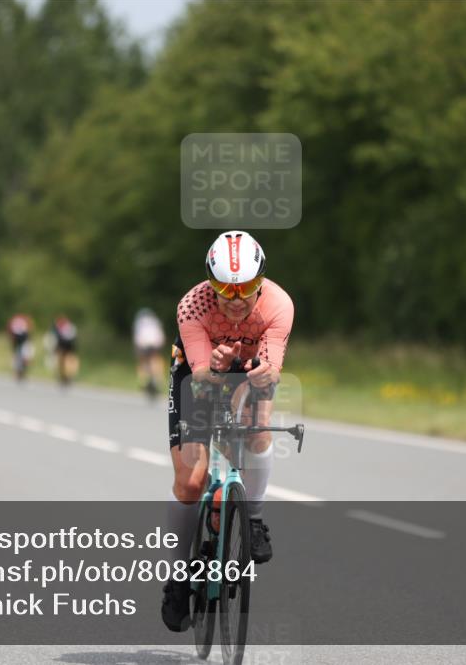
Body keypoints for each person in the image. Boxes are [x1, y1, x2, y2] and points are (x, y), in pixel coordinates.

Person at [161, 231, 294, 632]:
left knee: (257, 431)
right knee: (190, 481)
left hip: (250, 369)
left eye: (247, 289)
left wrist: (259, 374)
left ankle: (253, 519)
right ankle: (178, 577)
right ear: (209, 283)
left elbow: (269, 375)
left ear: (261, 282)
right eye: (224, 290)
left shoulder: (279, 304)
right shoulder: (192, 306)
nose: (236, 301)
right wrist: (216, 367)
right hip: (197, 370)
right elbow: (200, 385)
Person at [133, 308, 166, 397]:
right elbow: (160, 335)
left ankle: (143, 380)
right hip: (156, 342)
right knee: (155, 359)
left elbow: (138, 335)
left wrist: (138, 347)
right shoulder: (155, 320)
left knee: (143, 361)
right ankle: (158, 380)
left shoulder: (140, 321)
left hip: (143, 342)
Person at [51, 315, 79, 386]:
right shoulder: (67, 328)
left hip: (67, 348)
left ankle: (67, 377)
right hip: (64, 347)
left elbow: (72, 339)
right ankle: (63, 377)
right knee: (62, 362)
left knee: (66, 363)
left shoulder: (67, 328)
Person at [7, 313, 34, 380]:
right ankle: (20, 373)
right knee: (21, 357)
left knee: (21, 358)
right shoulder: (24, 320)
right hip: (21, 341)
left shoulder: (15, 321)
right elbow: (30, 330)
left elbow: (10, 331)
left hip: (20, 341)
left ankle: (20, 373)